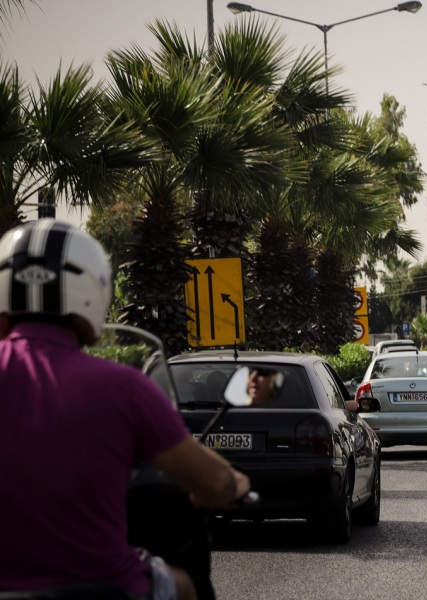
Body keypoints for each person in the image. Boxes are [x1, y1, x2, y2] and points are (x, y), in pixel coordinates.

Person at [0, 220, 251, 600]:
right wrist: (237, 485)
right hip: (102, 587)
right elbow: (213, 483)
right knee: (183, 585)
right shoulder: (123, 386)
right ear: (92, 291)